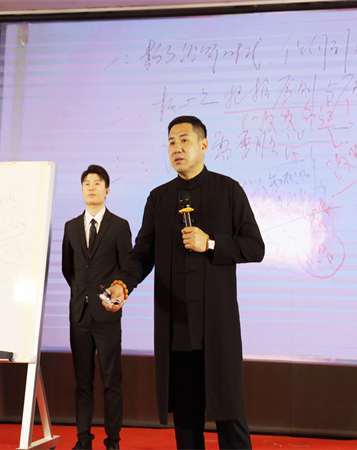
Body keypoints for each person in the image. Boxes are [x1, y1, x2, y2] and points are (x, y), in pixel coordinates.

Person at [103, 116, 265, 449]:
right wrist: (122, 284)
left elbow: (255, 247)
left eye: (184, 140)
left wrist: (211, 243)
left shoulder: (228, 190)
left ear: (203, 145)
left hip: (216, 328)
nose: (177, 148)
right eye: (171, 142)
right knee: (186, 423)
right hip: (176, 329)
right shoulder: (159, 198)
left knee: (230, 417)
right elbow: (141, 254)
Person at [62, 165, 132, 450]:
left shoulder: (119, 226)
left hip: (107, 316)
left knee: (111, 382)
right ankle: (83, 440)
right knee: (82, 383)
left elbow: (126, 268)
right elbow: (68, 269)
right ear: (81, 190)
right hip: (79, 316)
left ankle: (112, 441)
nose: (91, 188)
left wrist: (108, 296)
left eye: (97, 183)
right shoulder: (70, 227)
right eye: (86, 184)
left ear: (107, 190)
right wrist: (83, 294)